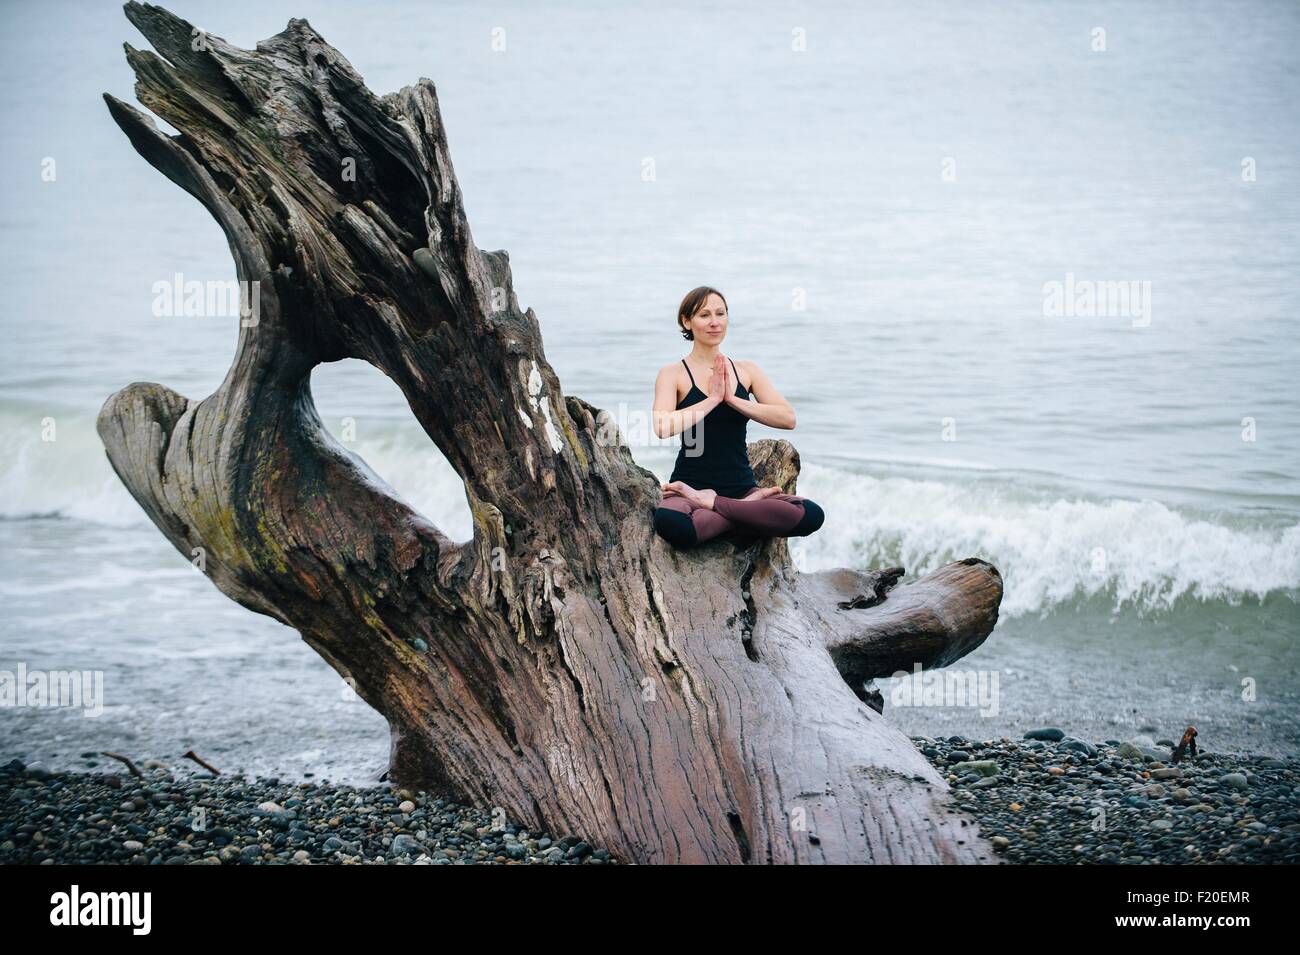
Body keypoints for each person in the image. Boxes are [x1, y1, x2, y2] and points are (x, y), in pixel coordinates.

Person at [651, 286, 824, 550]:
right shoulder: (673, 373)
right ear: (687, 322)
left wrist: (733, 400)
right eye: (704, 315)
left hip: (741, 487)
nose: (714, 322)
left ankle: (723, 507)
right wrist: (712, 400)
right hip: (690, 487)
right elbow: (662, 427)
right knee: (673, 524)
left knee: (810, 514)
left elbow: (788, 418)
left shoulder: (746, 371)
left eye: (720, 313)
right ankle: (745, 513)